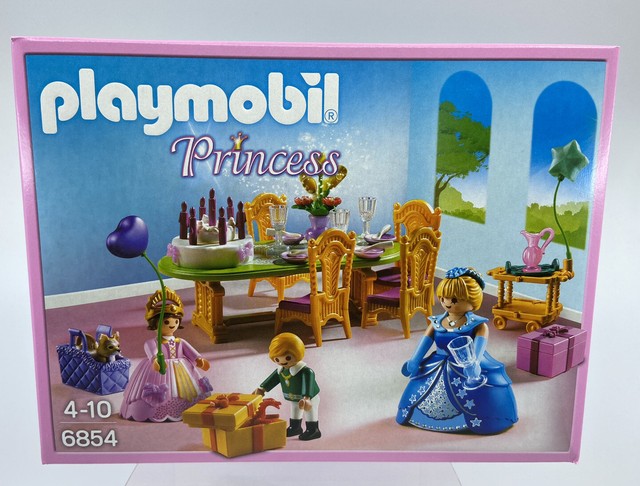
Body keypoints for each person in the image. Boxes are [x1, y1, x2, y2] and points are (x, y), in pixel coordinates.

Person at [397, 267, 518, 434]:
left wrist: (473, 364)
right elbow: (425, 342)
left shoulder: (478, 325)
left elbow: (478, 350)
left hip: (465, 364)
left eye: (453, 299)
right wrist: (415, 360)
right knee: (420, 390)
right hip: (437, 363)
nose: (447, 302)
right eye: (443, 297)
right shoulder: (436, 323)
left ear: (471, 299)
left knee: (478, 395)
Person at [120, 288, 212, 422]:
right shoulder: (153, 342)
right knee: (163, 390)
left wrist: (199, 360)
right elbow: (153, 352)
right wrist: (156, 360)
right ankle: (155, 411)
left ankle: (185, 408)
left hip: (182, 370)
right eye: (167, 322)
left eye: (176, 322)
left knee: (186, 390)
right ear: (155, 323)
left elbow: (191, 352)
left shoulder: (180, 341)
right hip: (158, 370)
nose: (172, 325)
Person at [254, 332, 321, 441]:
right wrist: (262, 389)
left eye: (287, 357)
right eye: (277, 359)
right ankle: (295, 427)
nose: (282, 361)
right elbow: (272, 380)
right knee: (295, 410)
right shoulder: (281, 371)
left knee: (309, 412)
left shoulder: (306, 371)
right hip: (294, 397)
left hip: (309, 398)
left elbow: (308, 384)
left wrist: (307, 397)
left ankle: (313, 430)